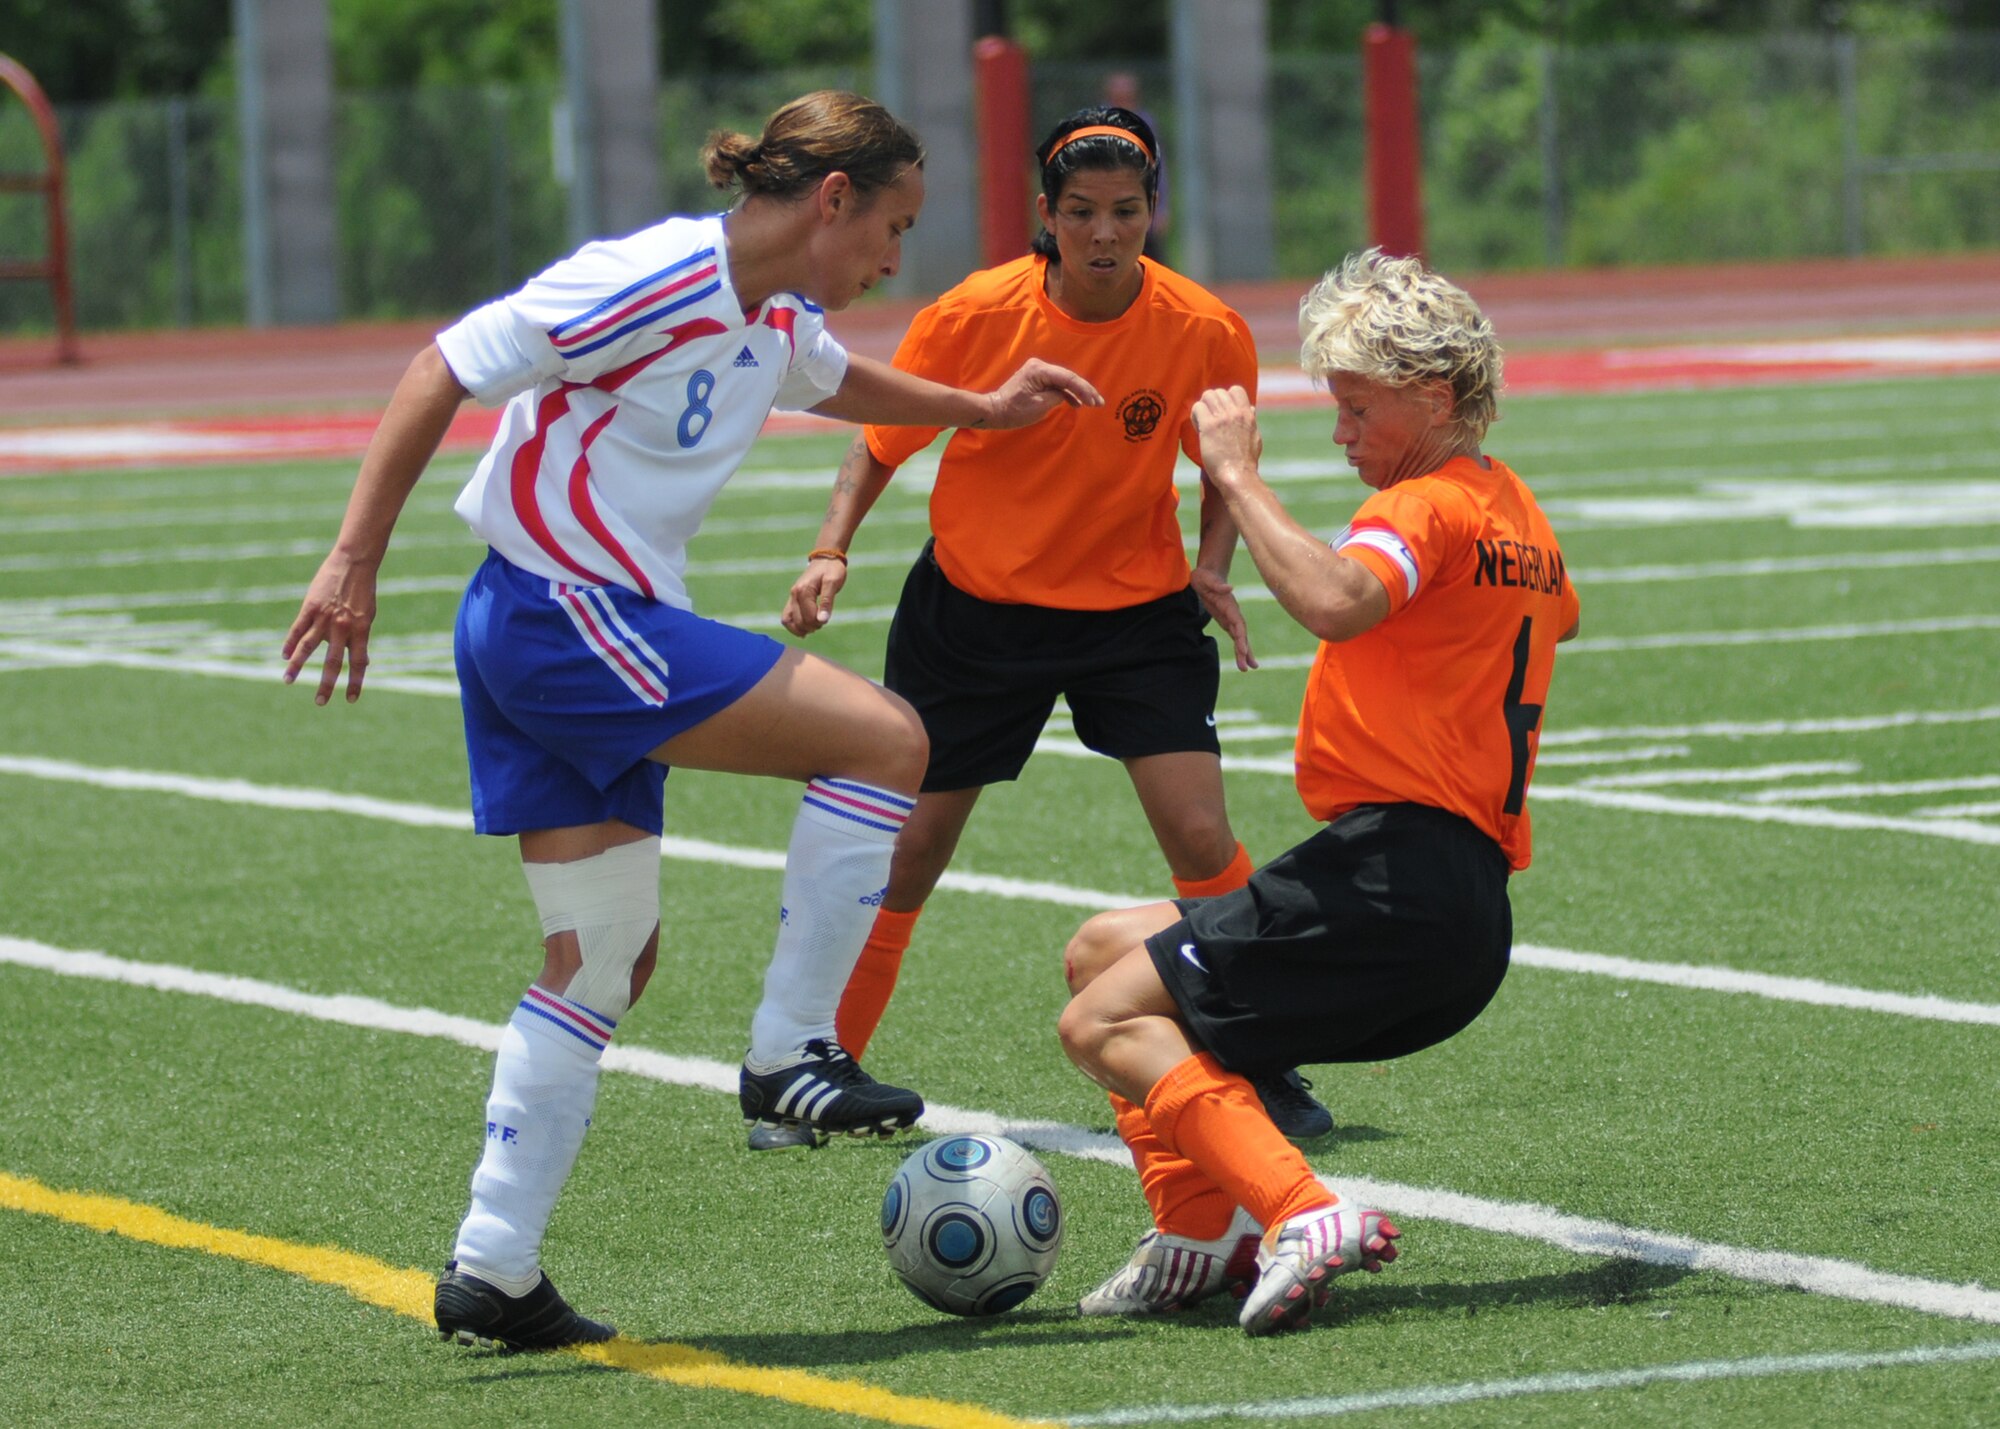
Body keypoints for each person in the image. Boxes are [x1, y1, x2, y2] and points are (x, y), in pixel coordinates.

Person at [281, 91, 1100, 1353]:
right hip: (566, 616)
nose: (896, 257)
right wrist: (351, 559)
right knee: (887, 738)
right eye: (893, 224)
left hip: (542, 624)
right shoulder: (649, 276)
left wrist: (984, 410)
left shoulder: (778, 311)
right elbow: (442, 365)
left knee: (600, 961)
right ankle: (790, 1054)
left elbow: (832, 381)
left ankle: (491, 1268)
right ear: (831, 199)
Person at [779, 103, 1330, 1152]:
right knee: (912, 854)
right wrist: (828, 549)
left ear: (1152, 212)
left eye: (1125, 210)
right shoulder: (973, 315)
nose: (1105, 232)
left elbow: (1225, 463)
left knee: (1201, 836)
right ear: (1047, 214)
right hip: (973, 617)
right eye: (1081, 212)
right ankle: (817, 1062)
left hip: (1135, 616)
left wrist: (1213, 564)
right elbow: (880, 444)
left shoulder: (1202, 328)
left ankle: (1262, 1049)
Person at [1055, 248, 1582, 1335]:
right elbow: (1558, 613)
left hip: (1393, 875)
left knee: (1100, 1020)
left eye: (1353, 408)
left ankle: (1301, 1208)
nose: (1339, 433)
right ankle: (1199, 1234)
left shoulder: (1427, 506)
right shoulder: (1512, 510)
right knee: (1102, 950)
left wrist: (1236, 477)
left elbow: (1342, 601)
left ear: (1433, 399)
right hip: (1447, 893)